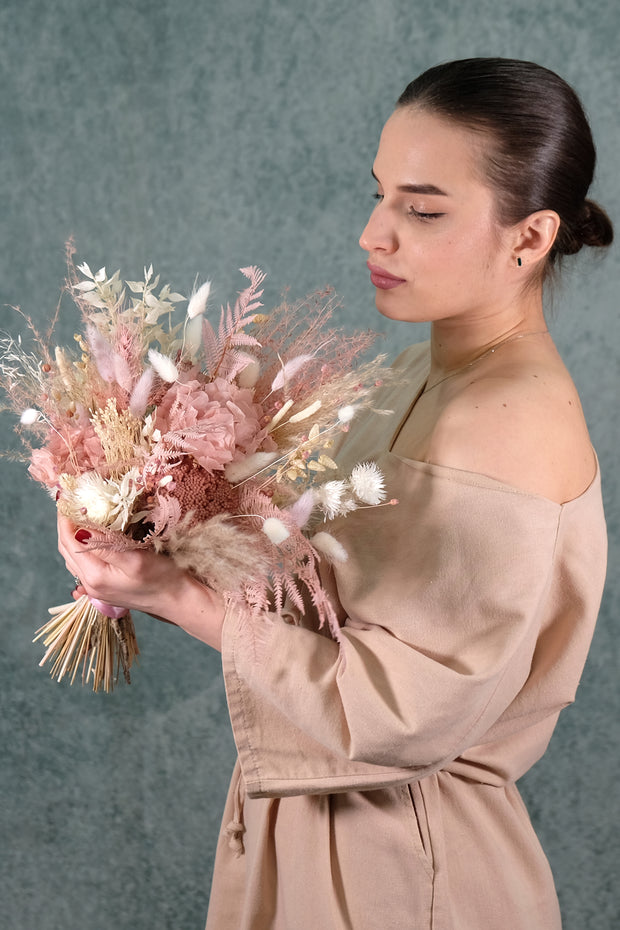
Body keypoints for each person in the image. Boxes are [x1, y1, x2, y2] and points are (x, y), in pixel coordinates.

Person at [58, 58, 613, 929]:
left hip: (401, 872)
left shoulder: (507, 421)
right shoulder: (412, 375)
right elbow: (318, 612)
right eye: (379, 193)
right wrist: (157, 531)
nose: (372, 234)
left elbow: (404, 714)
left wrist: (179, 596)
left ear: (531, 237)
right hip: (325, 840)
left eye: (422, 209)